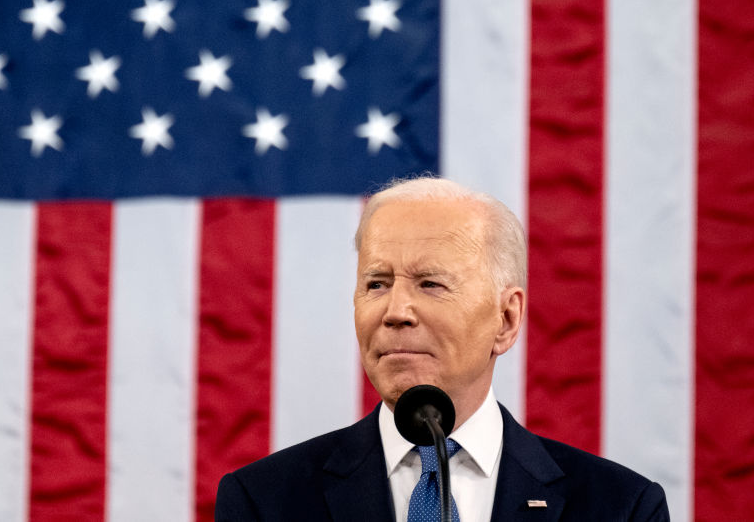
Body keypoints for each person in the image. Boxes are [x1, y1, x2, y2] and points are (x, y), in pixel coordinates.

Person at [215, 176, 669, 521]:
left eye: (430, 283)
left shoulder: (621, 507)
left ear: (506, 319)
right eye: (377, 284)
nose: (395, 312)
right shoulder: (263, 501)